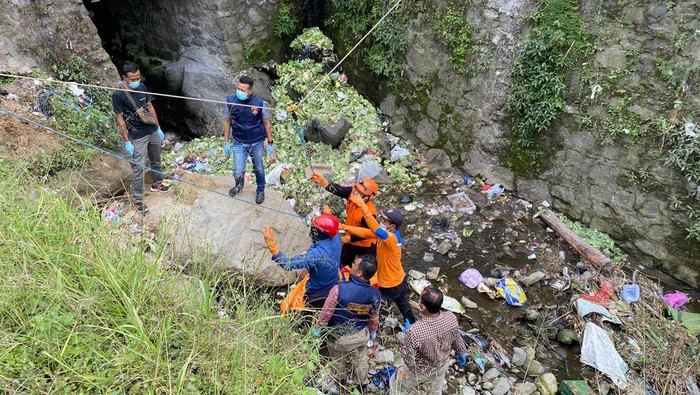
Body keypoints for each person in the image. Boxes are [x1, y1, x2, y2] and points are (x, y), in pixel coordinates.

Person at [341, 198, 416, 326]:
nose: (381, 222)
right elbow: (366, 233)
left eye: (385, 221)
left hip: (390, 284)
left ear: (392, 226)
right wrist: (344, 227)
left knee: (378, 309)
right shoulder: (386, 234)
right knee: (403, 304)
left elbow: (375, 229)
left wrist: (363, 207)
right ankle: (413, 324)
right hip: (399, 279)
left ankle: (375, 330)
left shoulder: (392, 238)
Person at [316, 254, 381, 389]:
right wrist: (373, 334)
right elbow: (373, 318)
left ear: (359, 273)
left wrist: (317, 330)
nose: (352, 264)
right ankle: (361, 384)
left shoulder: (339, 290)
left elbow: (325, 314)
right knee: (361, 359)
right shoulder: (376, 295)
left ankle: (339, 381)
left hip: (339, 337)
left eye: (355, 264)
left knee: (338, 360)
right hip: (361, 335)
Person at [112, 61, 169, 214]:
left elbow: (150, 106)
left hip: (151, 129)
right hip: (137, 135)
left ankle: (157, 183)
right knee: (139, 167)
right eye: (132, 78)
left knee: (156, 157)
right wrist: (127, 141)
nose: (136, 81)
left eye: (138, 77)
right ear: (125, 78)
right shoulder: (118, 95)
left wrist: (158, 127)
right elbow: (119, 118)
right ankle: (137, 200)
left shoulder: (142, 87)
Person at [390, 287, 468, 395]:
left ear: (422, 307)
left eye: (420, 299)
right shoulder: (451, 317)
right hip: (442, 365)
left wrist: (407, 336)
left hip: (420, 371)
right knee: (436, 389)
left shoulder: (414, 331)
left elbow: (409, 360)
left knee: (397, 385)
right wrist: (461, 352)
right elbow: (457, 337)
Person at [263, 213, 341, 308]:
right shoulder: (336, 237)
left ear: (316, 232)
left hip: (317, 291)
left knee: (304, 308)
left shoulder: (315, 255)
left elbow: (288, 264)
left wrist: (273, 247)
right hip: (334, 282)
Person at [223, 75, 273, 205]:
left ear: (250, 91)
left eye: (243, 90)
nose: (240, 91)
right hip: (239, 140)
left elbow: (266, 122)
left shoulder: (260, 103)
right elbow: (227, 121)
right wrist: (226, 142)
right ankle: (239, 185)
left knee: (259, 168)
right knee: (238, 170)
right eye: (238, 88)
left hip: (256, 140)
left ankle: (260, 190)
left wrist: (270, 142)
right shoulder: (230, 101)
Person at [311, 174, 378, 267]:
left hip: (365, 244)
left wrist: (345, 239)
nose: (356, 193)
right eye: (356, 189)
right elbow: (339, 190)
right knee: (343, 262)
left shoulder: (369, 212)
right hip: (350, 238)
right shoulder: (352, 193)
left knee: (366, 269)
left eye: (360, 193)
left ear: (367, 197)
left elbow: (365, 234)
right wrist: (324, 182)